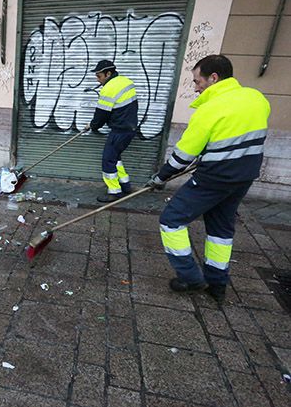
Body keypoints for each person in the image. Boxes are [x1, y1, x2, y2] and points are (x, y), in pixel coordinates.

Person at [146, 54, 270, 303]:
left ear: (213, 78)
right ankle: (217, 284)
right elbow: (236, 136)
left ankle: (191, 277)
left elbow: (184, 155)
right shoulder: (257, 98)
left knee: (171, 220)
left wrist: (161, 177)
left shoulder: (210, 109)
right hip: (244, 176)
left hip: (215, 178)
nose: (195, 87)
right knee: (220, 229)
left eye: (197, 81)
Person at [89, 60, 138, 202]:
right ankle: (125, 185)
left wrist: (93, 126)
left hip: (120, 130)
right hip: (130, 128)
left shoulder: (109, 89)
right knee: (115, 157)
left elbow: (101, 115)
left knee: (108, 160)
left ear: (108, 74)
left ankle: (114, 192)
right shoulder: (125, 81)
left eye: (99, 76)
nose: (97, 80)